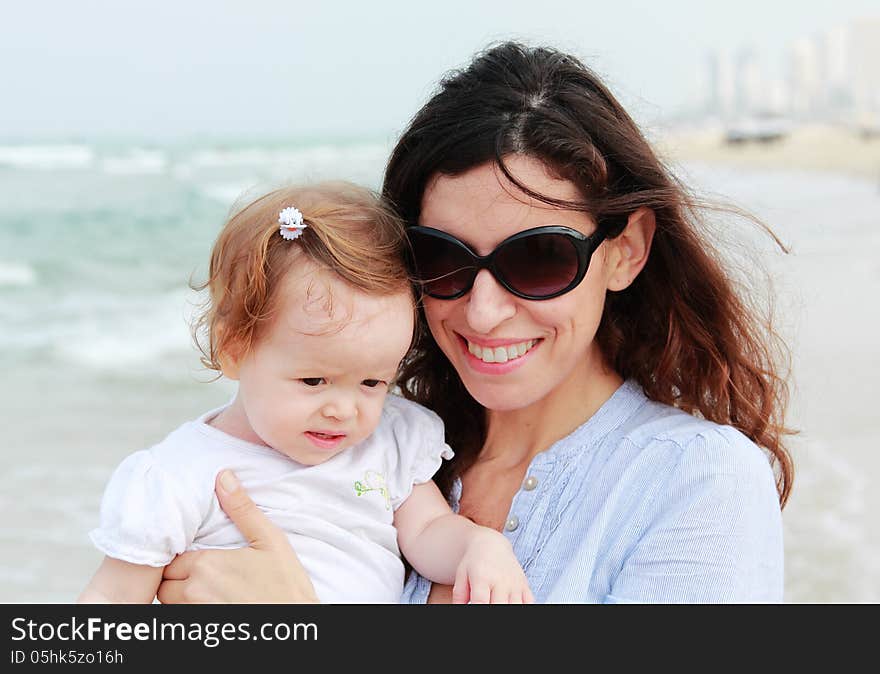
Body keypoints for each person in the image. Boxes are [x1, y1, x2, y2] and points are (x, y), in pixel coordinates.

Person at [155, 42, 794, 604]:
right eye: (442, 258)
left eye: (538, 258)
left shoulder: (696, 484)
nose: (484, 312)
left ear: (625, 250)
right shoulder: (379, 448)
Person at [79, 181, 533, 604]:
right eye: (314, 381)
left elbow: (429, 531)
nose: (343, 409)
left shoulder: (389, 443)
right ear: (233, 349)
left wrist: (479, 545)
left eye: (373, 382)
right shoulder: (179, 476)